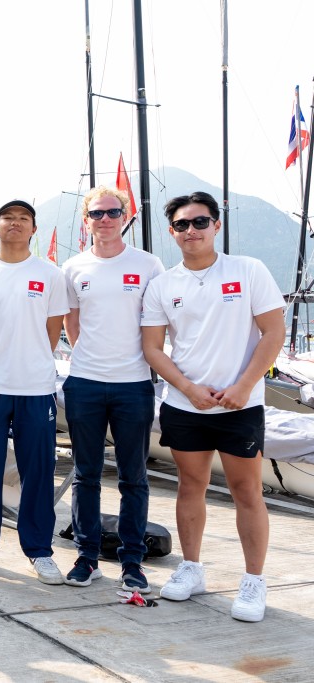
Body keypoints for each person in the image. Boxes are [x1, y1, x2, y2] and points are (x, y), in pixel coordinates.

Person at [141, 191, 284, 622]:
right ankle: (191, 567)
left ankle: (254, 580)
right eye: (182, 225)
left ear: (216, 226)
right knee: (190, 487)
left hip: (240, 405)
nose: (191, 231)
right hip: (186, 406)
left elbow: (273, 333)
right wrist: (187, 387)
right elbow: (153, 348)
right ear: (172, 232)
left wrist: (243, 386)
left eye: (200, 222)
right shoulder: (164, 285)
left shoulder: (248, 270)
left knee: (247, 492)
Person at [0, 200, 70, 584]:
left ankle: (38, 550)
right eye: (9, 218)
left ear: (33, 229)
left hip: (36, 385)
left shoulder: (51, 274)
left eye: (24, 219)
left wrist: (29, 358)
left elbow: (53, 330)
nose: (16, 224)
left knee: (37, 470)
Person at [61, 187, 165, 591]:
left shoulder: (148, 264)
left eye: (112, 212)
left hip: (134, 384)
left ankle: (132, 562)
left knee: (133, 478)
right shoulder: (73, 267)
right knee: (85, 474)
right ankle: (87, 557)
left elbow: (155, 322)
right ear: (85, 219)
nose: (104, 219)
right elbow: (72, 322)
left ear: (125, 216)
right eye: (96, 213)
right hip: (85, 382)